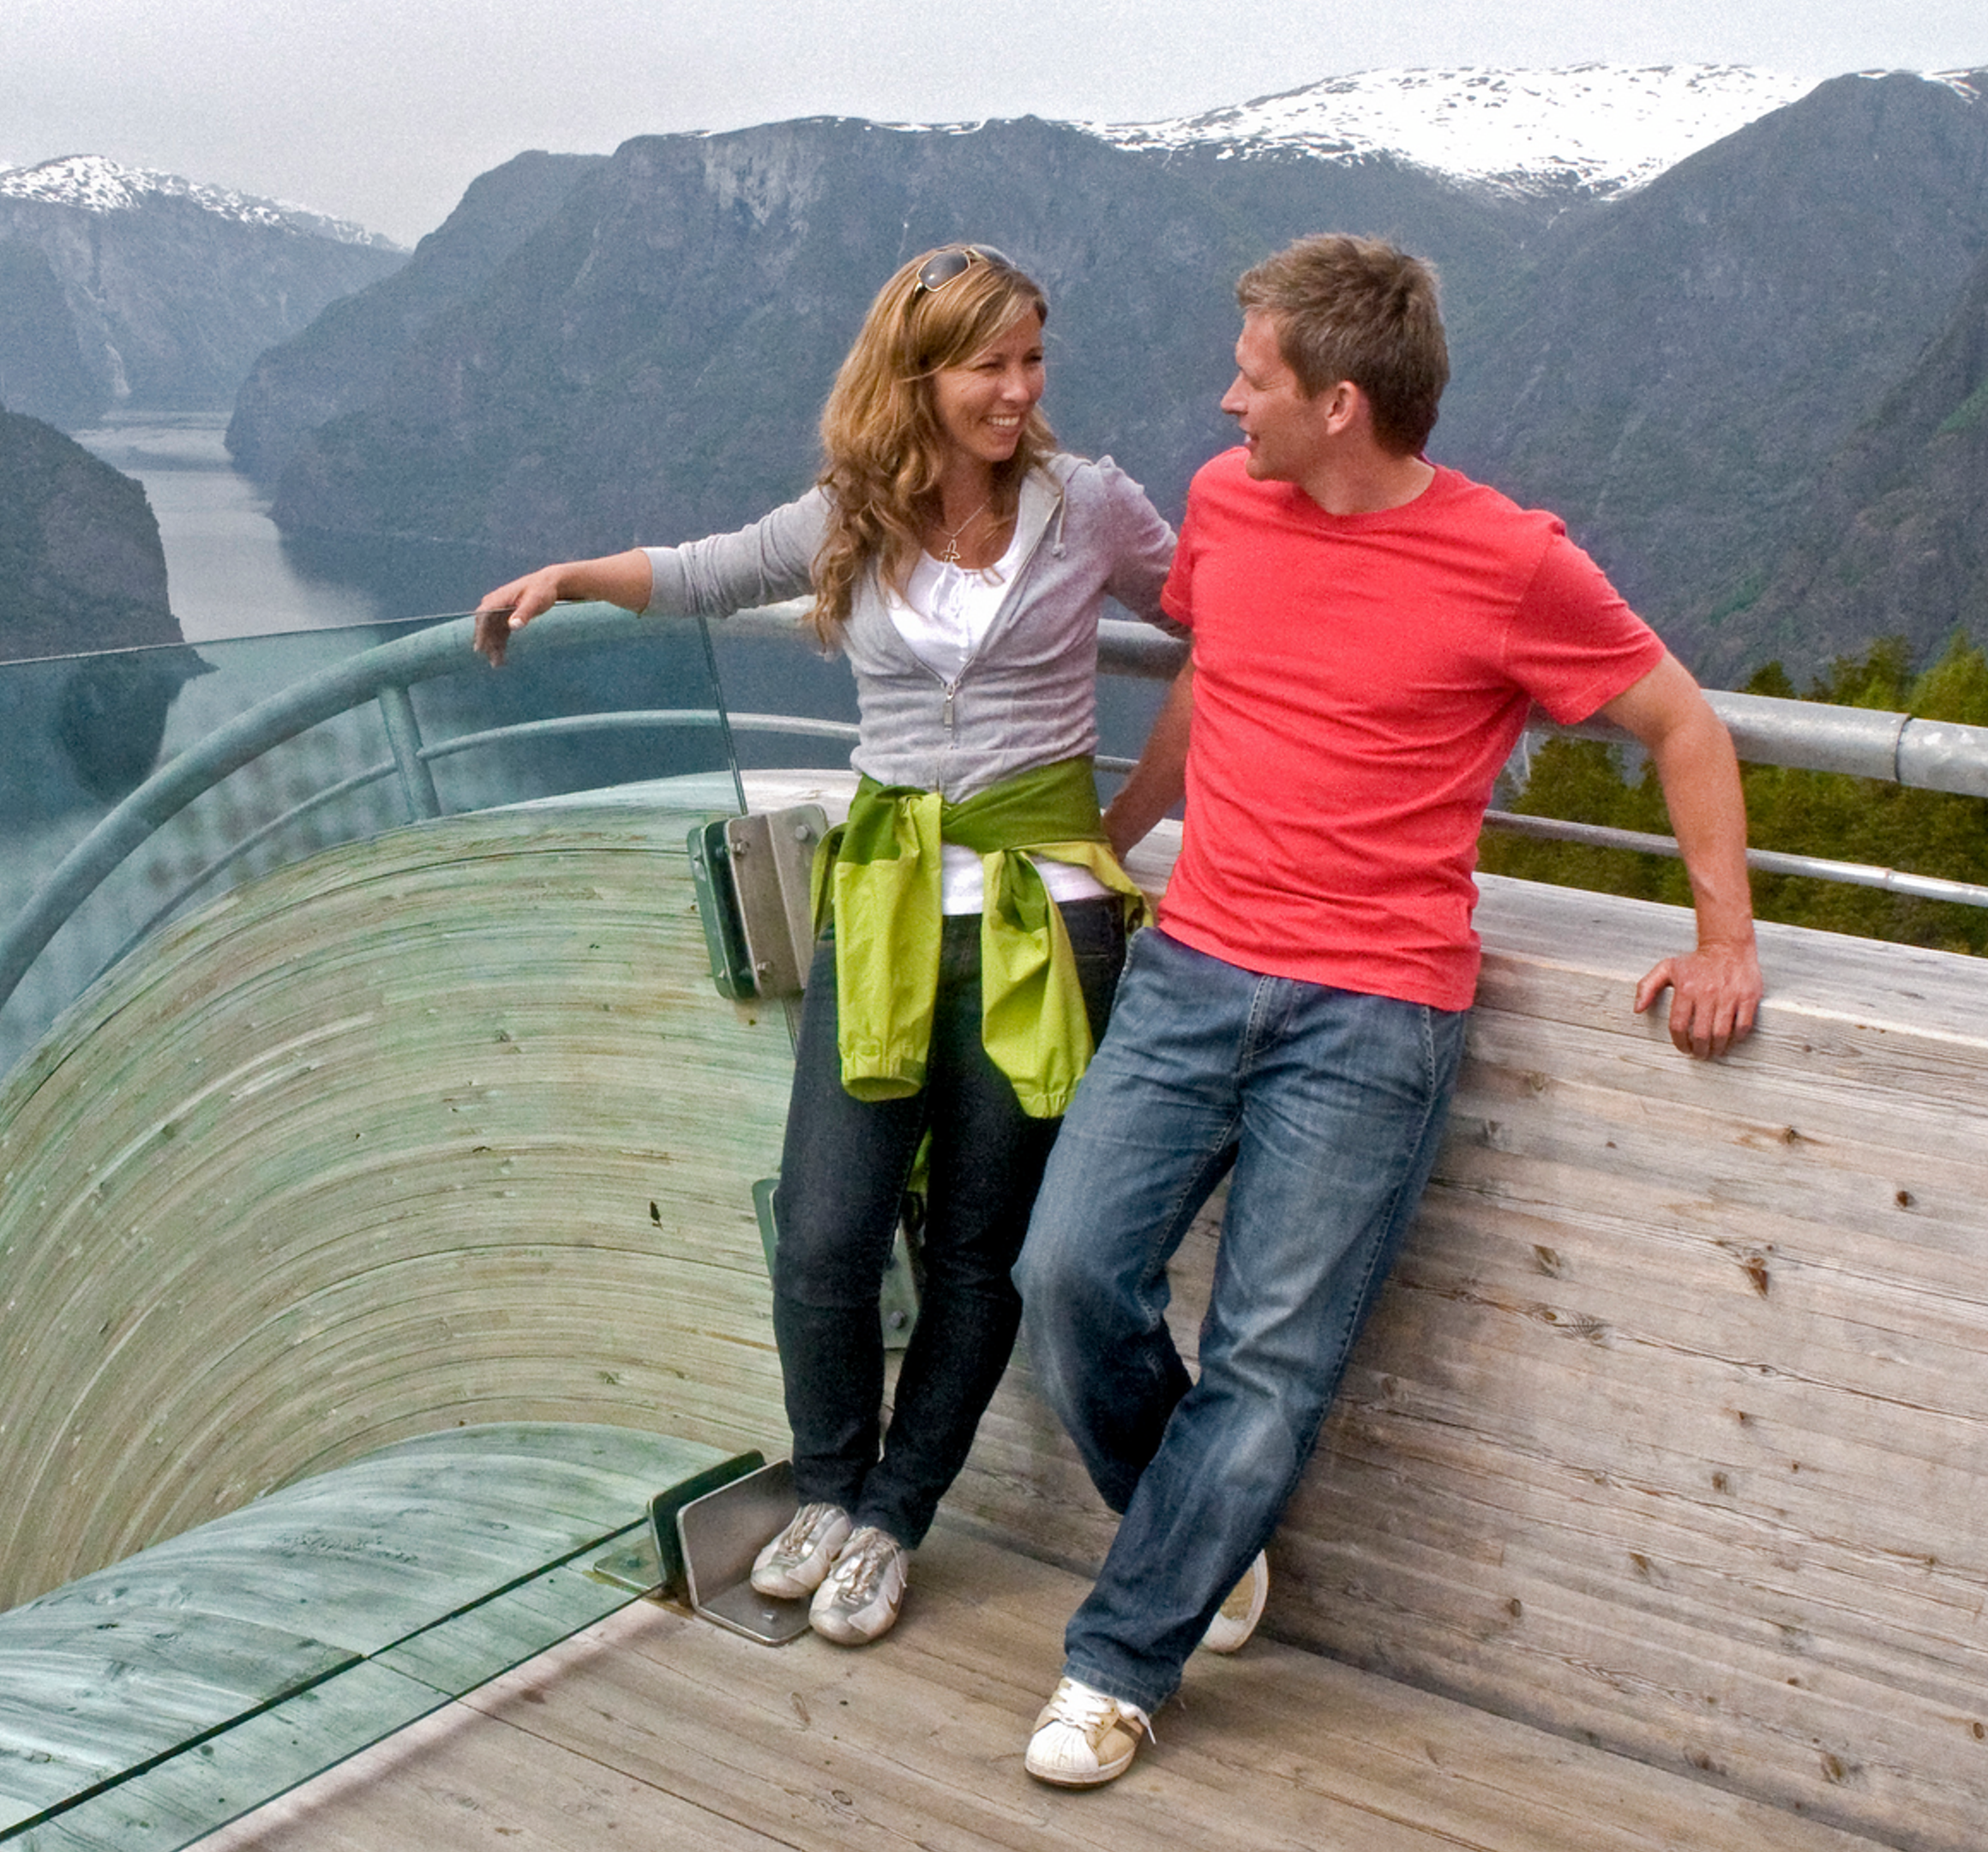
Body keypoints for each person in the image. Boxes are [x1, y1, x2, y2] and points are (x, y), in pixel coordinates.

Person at [1012, 233, 1763, 1788]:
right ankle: (1195, 1524)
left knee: (1271, 1366)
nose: (1226, 405)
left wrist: (1724, 938)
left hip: (1373, 1018)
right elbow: (1218, 676)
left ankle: (1120, 1659)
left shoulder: (1513, 561)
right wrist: (1119, 835)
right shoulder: (1229, 508)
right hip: (1194, 967)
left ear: (1342, 404)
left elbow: (1681, 721)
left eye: (1254, 378)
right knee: (1065, 1271)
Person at [476, 245, 1177, 1648]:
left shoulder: (1090, 506)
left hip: (1047, 921)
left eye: (1034, 359)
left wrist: (1131, 813)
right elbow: (699, 573)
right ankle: (832, 1483)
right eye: (992, 365)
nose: (1019, 391)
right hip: (885, 905)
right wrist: (568, 575)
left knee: (983, 1251)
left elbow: (1234, 631)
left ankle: (894, 1519)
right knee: (824, 1233)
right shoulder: (849, 515)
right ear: (918, 378)